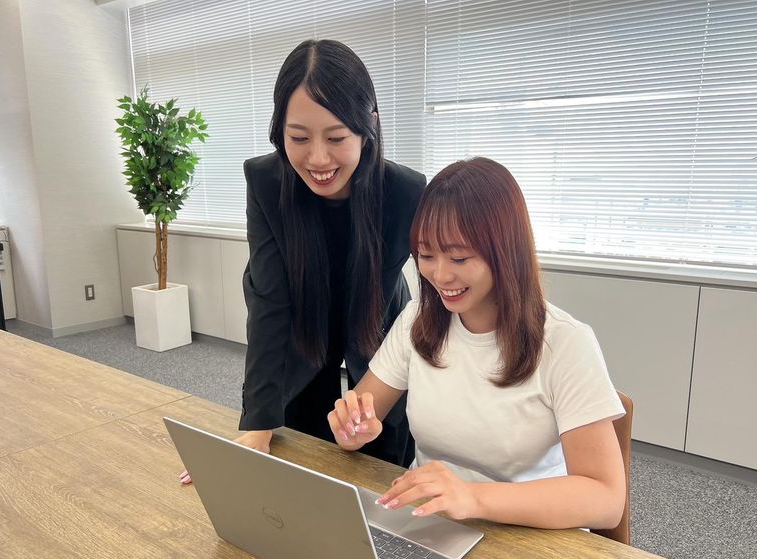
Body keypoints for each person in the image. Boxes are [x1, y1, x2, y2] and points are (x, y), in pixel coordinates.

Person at [326, 157, 626, 529]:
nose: (440, 275)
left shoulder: (565, 343)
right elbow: (361, 414)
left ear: (506, 252)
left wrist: (471, 497)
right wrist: (352, 429)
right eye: (426, 255)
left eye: (459, 257)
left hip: (532, 532)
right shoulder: (418, 321)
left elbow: (605, 498)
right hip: (433, 522)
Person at [179, 40, 426, 485]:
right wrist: (257, 424)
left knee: (378, 463)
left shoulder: (404, 190)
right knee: (297, 456)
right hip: (300, 327)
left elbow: (430, 295)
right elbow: (268, 302)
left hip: (375, 324)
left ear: (368, 126)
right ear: (280, 131)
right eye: (298, 138)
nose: (317, 159)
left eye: (336, 138)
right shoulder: (266, 181)